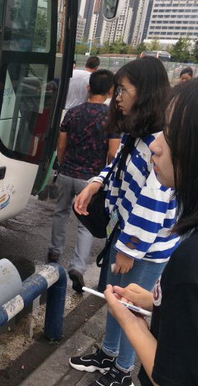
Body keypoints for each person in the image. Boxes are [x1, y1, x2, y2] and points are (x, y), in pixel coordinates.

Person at [69, 57, 179, 386]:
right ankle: (109, 353)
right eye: (116, 90)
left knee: (131, 306)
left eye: (123, 90)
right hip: (126, 233)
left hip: (145, 247)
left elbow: (153, 201)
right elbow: (115, 164)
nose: (116, 97)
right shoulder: (138, 134)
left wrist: (128, 249)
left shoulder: (158, 142)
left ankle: (123, 370)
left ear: (145, 93)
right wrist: (95, 183)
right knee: (115, 297)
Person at [104, 79, 198, 386]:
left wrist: (130, 321)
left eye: (170, 134)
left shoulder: (190, 262)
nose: (156, 145)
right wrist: (157, 304)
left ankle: (121, 370)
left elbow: (171, 377)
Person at [47, 69, 119, 293]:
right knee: (85, 223)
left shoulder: (73, 113)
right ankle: (77, 267)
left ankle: (54, 253)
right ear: (110, 91)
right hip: (91, 180)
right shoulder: (111, 118)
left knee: (60, 212)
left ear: (88, 88)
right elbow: (113, 153)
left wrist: (63, 165)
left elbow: (61, 145)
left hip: (67, 172)